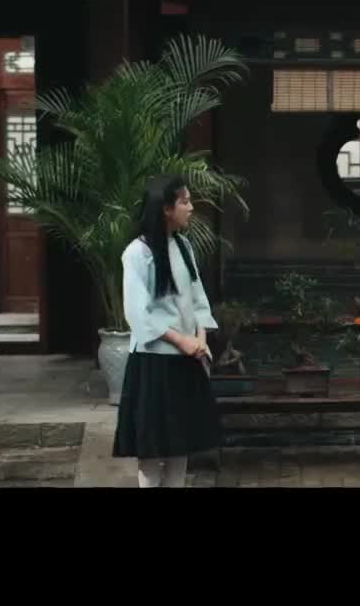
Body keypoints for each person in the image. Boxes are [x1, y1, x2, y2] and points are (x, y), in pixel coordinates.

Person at [112, 175, 222, 488]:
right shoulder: (137, 253)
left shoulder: (184, 246)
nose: (191, 207)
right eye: (185, 201)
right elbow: (137, 313)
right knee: (152, 452)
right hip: (154, 361)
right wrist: (181, 340)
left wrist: (200, 341)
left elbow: (199, 299)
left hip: (187, 358)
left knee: (179, 447)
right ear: (166, 208)